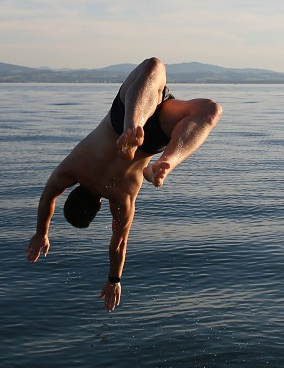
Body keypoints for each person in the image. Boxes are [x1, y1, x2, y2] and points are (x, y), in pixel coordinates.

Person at [26, 57, 222, 312]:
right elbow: (47, 197)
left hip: (150, 142)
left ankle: (165, 163)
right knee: (154, 66)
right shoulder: (72, 170)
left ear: (98, 207)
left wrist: (114, 280)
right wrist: (42, 232)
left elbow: (118, 244)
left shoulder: (121, 199)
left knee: (210, 111)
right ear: (72, 192)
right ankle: (132, 130)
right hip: (122, 121)